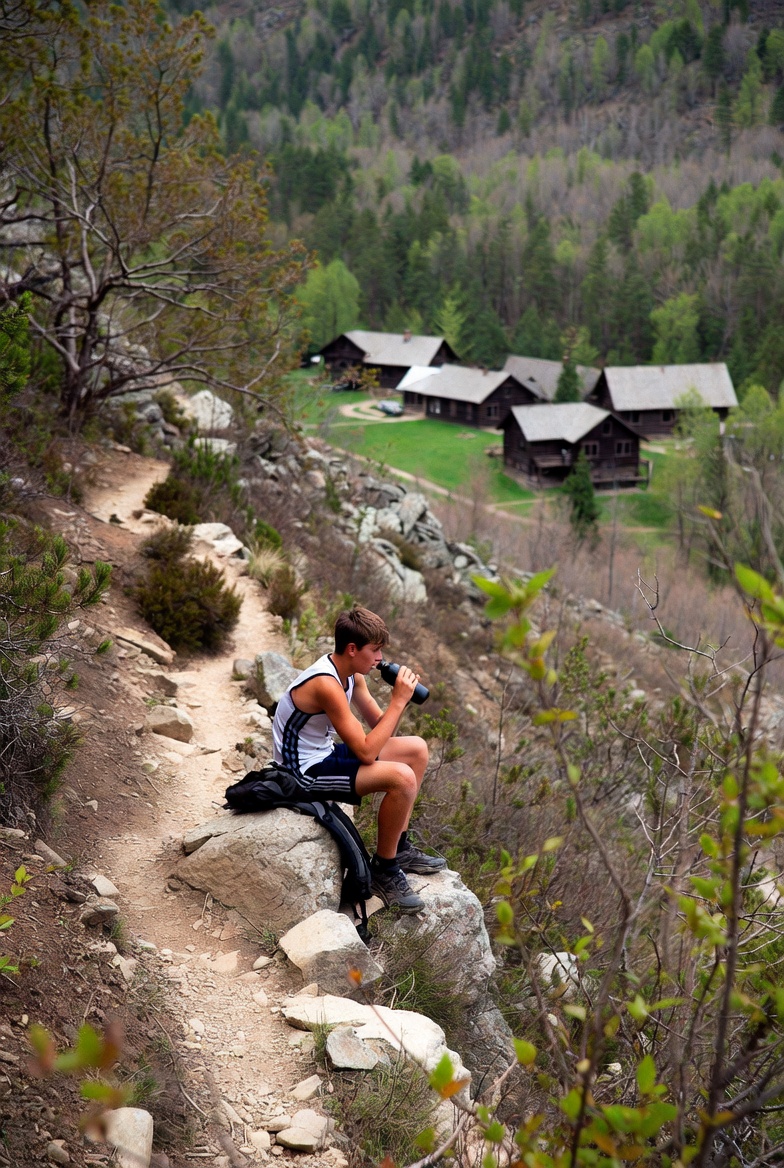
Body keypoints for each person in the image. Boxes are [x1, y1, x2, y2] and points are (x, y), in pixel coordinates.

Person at [272, 605, 446, 913]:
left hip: (322, 754)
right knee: (401, 778)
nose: (380, 658)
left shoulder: (352, 675)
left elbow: (381, 728)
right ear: (353, 649)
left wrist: (399, 702)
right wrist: (398, 701)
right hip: (300, 772)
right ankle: (384, 869)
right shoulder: (326, 684)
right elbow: (366, 751)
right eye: (375, 650)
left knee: (416, 749)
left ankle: (399, 849)